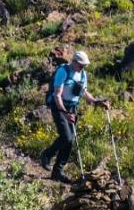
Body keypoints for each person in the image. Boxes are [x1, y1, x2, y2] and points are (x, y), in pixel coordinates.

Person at [39, 50, 108, 183]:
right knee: (66, 136)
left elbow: (84, 92)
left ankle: (57, 172)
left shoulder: (82, 74)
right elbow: (57, 95)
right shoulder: (63, 72)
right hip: (59, 107)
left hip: (72, 108)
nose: (83, 67)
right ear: (74, 61)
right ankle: (46, 155)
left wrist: (96, 102)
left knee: (69, 141)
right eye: (81, 64)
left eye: (85, 65)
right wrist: (65, 113)